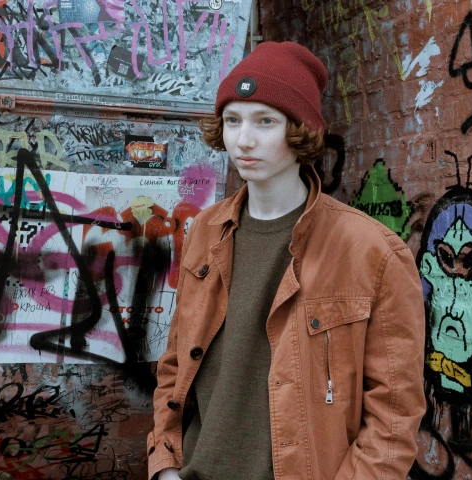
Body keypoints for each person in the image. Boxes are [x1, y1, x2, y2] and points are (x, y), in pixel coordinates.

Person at [146, 41, 426, 480]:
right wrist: (165, 465)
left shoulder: (373, 252)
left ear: (300, 131)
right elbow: (174, 365)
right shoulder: (205, 231)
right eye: (233, 120)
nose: (244, 139)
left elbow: (394, 416)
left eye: (265, 121)